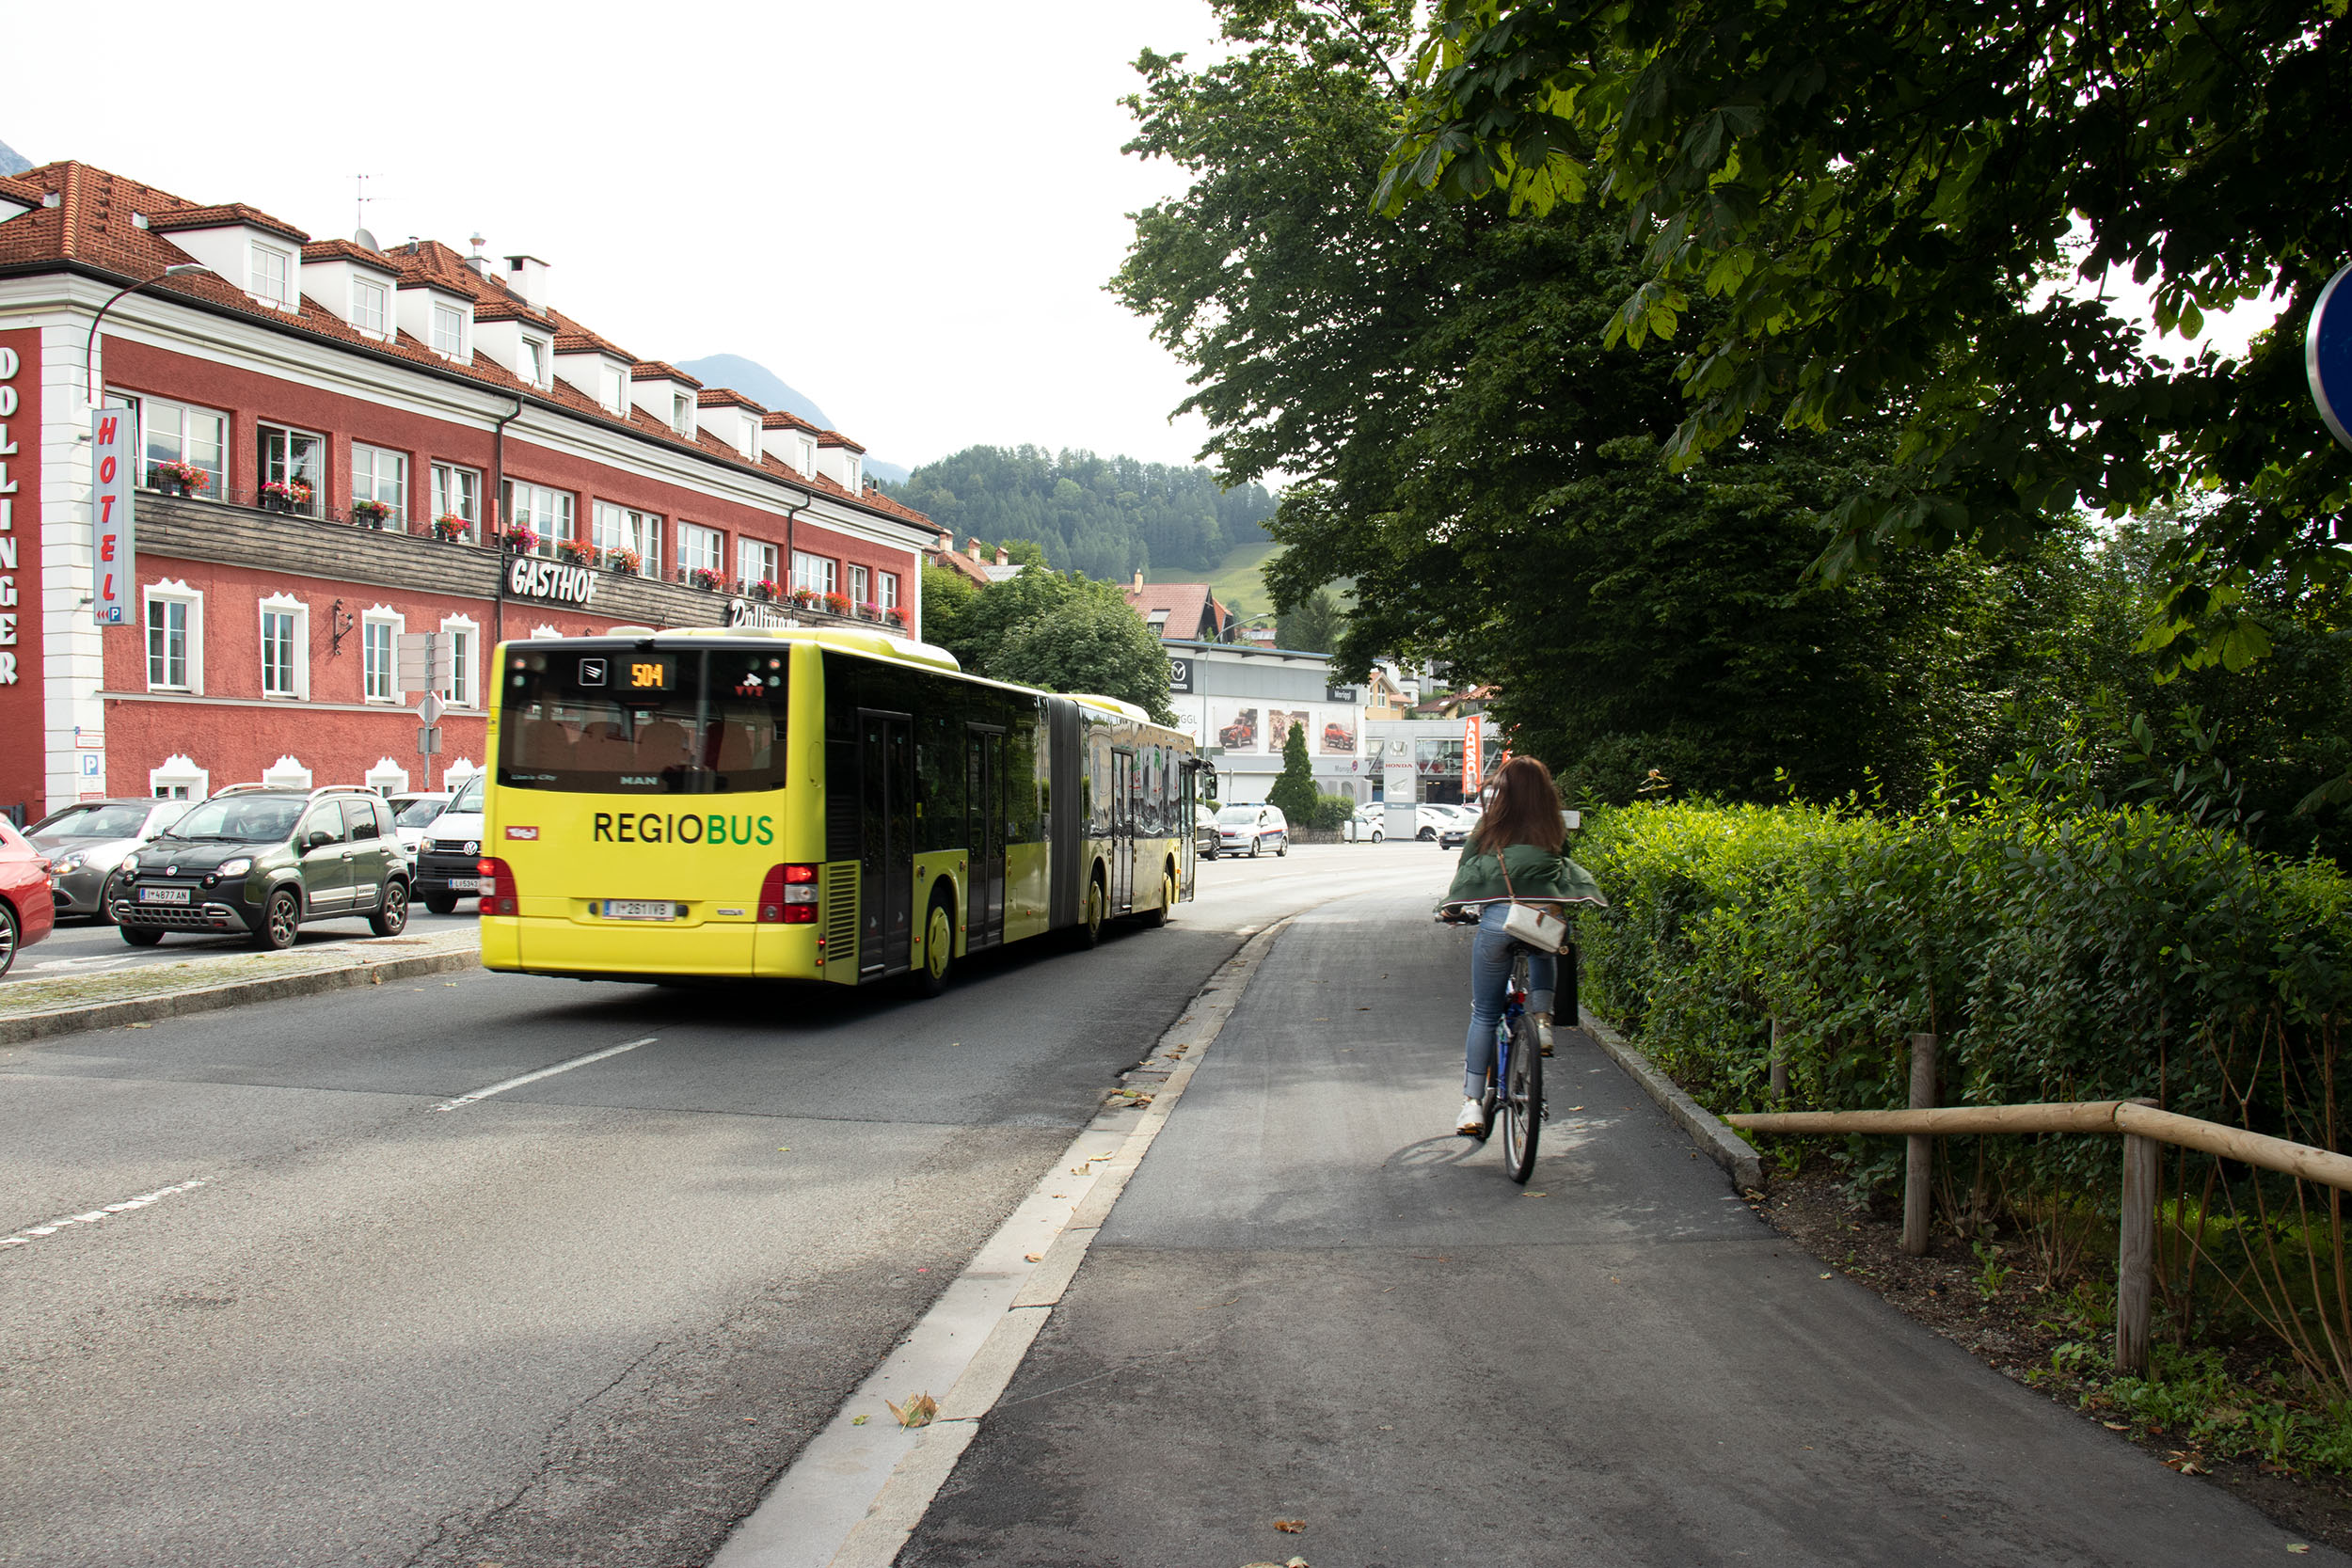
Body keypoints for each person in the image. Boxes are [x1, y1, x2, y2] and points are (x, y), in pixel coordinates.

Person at [1436, 757, 1605, 1137]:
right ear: (1544, 791)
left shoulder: (1490, 826)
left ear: (1505, 791)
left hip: (1498, 922)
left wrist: (1452, 909)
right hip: (1542, 920)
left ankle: (1472, 1106)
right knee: (1547, 941)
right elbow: (1563, 868)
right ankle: (1543, 1022)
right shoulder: (1553, 827)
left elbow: (1466, 869)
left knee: (1484, 1014)